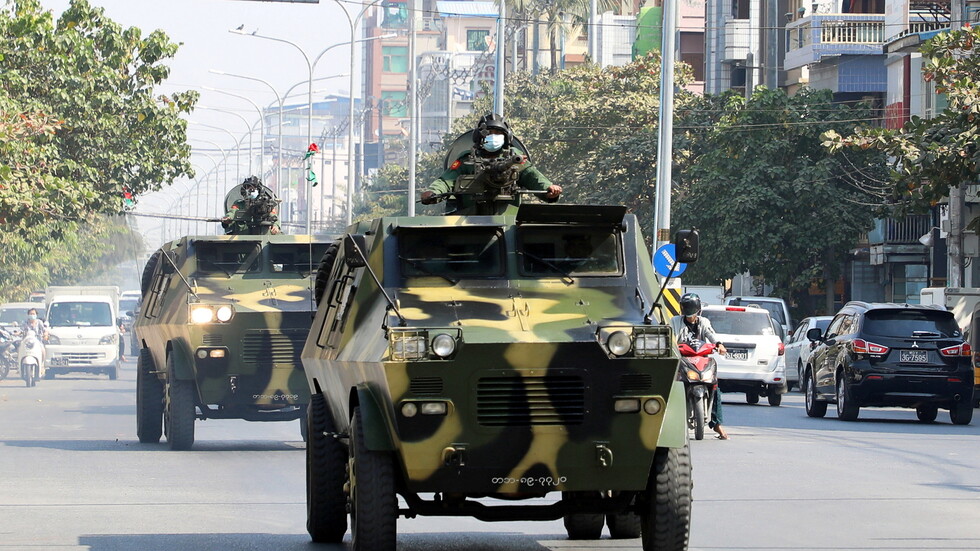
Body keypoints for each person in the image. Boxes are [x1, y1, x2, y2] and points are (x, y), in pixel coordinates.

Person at [420, 113, 562, 211]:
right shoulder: (466, 159)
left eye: (498, 133)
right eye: (489, 132)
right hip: (468, 218)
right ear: (479, 136)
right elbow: (446, 180)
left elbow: (533, 177)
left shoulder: (516, 158)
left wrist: (549, 188)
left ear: (506, 137)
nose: (493, 136)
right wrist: (433, 192)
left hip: (507, 218)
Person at [671, 293, 730, 440]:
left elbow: (711, 335)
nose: (690, 317)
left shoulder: (703, 322)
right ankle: (670, 422)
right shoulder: (675, 321)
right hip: (683, 361)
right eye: (688, 314)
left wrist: (719, 344)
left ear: (698, 311)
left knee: (715, 387)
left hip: (701, 361)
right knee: (671, 387)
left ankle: (716, 423)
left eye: (693, 314)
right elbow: (671, 336)